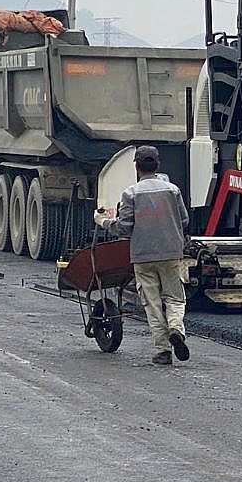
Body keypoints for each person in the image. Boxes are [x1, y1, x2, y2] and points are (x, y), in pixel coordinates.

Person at [95, 145, 191, 365]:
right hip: (170, 253)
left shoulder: (130, 194)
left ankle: (163, 350)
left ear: (137, 167)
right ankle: (176, 328)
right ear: (157, 165)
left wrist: (103, 222)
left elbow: (123, 229)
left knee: (152, 303)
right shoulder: (173, 190)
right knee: (175, 298)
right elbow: (184, 221)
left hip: (142, 256)